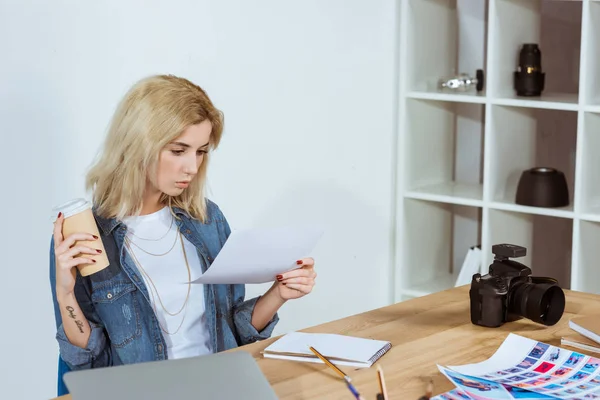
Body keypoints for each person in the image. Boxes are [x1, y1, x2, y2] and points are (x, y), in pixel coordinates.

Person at [49, 74, 317, 393]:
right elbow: (87, 363)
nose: (192, 166)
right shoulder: (87, 236)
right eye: (179, 150)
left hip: (220, 386)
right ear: (138, 146)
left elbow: (234, 328)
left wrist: (279, 293)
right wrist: (65, 293)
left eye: (201, 151)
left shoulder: (207, 219)